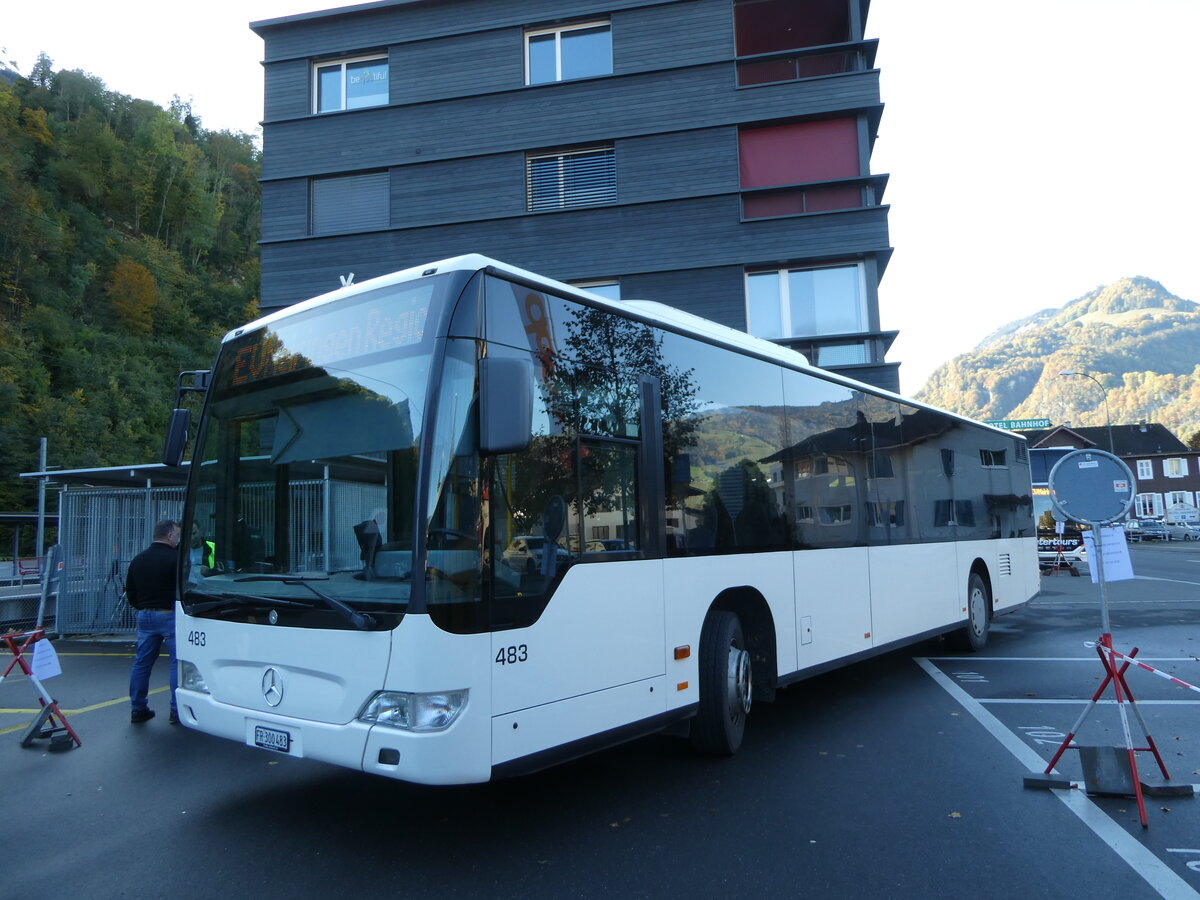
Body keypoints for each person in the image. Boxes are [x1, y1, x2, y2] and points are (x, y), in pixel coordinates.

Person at [126, 519, 181, 725]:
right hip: (169, 614)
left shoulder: (138, 559)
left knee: (142, 663)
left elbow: (130, 592)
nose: (178, 539)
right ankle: (176, 710)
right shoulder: (175, 559)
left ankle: (138, 708)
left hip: (144, 615)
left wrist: (142, 606)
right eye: (177, 535)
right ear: (169, 535)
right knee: (176, 662)